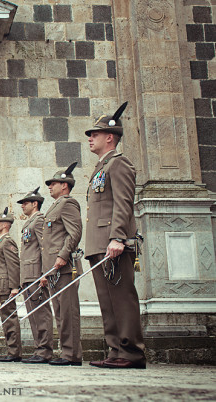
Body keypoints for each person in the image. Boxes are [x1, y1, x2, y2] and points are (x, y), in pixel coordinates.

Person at [85, 103, 146, 369]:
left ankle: (131, 352)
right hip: (100, 243)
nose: (90, 138)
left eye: (94, 134)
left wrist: (118, 237)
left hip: (113, 242)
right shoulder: (102, 167)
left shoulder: (119, 164)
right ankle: (115, 350)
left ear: (110, 137)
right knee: (107, 301)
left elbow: (123, 203)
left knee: (122, 299)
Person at [40, 162, 83, 366]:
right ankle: (67, 352)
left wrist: (63, 255)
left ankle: (72, 354)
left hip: (64, 266)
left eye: (53, 183)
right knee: (59, 312)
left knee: (68, 311)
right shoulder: (54, 206)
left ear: (64, 185)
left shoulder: (68, 203)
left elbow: (74, 232)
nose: (50, 187)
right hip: (54, 269)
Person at [17, 187, 54, 364]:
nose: (22, 206)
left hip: (36, 273)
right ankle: (39, 349)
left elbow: (44, 247)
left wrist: (45, 273)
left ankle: (45, 350)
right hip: (27, 274)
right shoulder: (28, 222)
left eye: (25, 203)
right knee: (33, 314)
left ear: (35, 203)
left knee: (41, 313)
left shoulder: (39, 220)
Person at [0, 208, 21, 362]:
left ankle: (14, 352)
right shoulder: (0, 242)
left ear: (5, 225)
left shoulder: (8, 242)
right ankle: (12, 350)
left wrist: (15, 286)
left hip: (5, 286)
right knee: (6, 318)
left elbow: (14, 265)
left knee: (9, 318)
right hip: (0, 286)